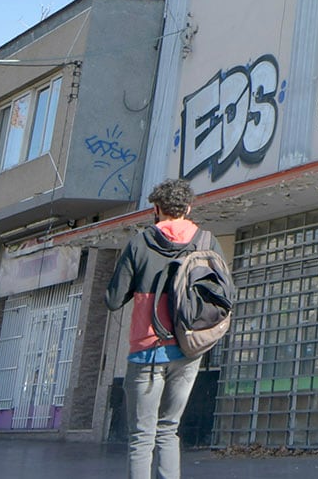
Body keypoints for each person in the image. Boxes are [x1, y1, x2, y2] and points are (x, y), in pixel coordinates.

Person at [106, 178, 206, 479]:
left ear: (156, 209)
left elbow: (113, 300)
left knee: (141, 435)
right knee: (169, 429)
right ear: (187, 208)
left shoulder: (139, 243)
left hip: (147, 351)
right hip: (188, 349)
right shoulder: (205, 241)